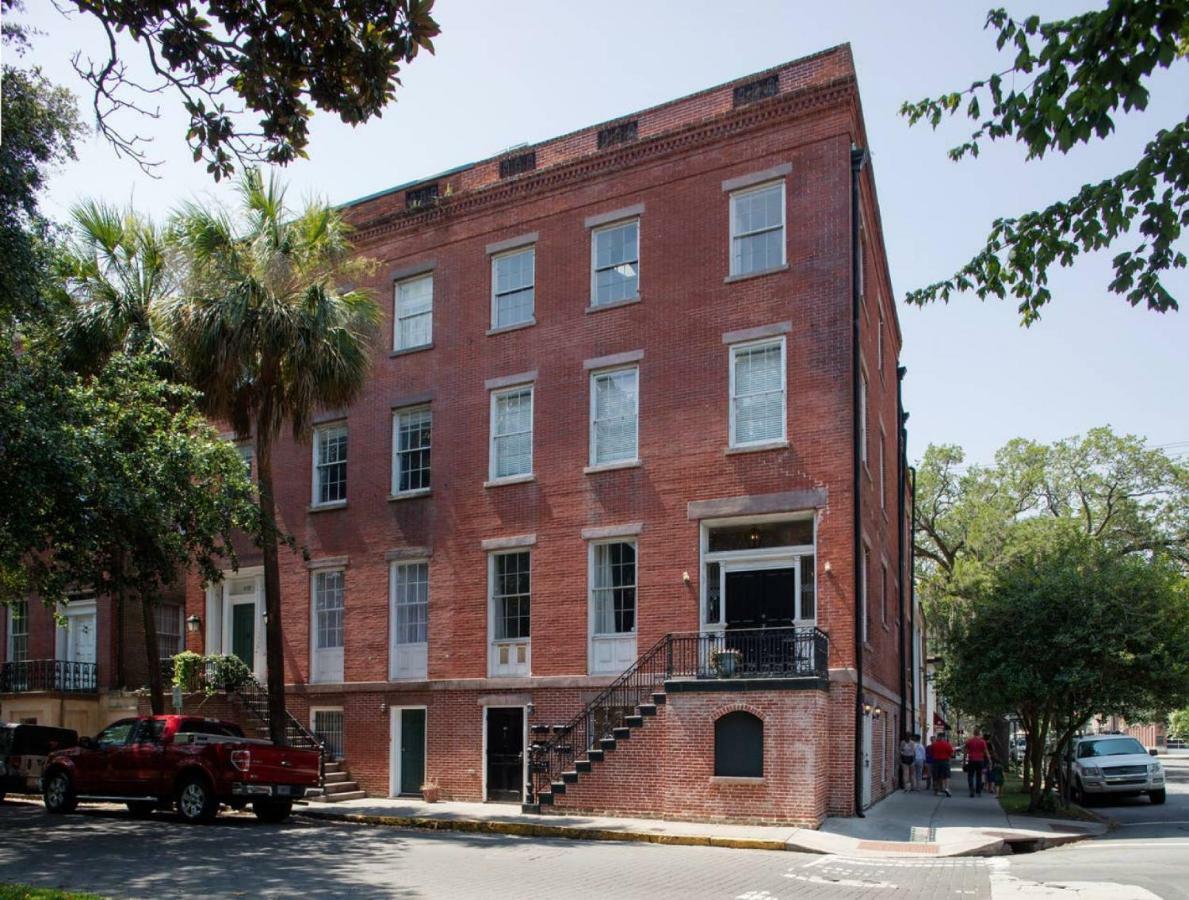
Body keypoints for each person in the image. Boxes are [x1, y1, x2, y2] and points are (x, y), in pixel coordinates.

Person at [964, 730, 989, 797]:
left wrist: (964, 761)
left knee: (970, 775)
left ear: (974, 733)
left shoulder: (969, 741)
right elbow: (986, 751)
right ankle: (978, 791)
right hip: (980, 760)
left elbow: (966, 751)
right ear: (979, 734)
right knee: (979, 776)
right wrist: (989, 759)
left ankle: (971, 789)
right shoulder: (982, 741)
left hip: (971, 760)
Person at [930, 732, 954, 797]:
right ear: (943, 737)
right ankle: (946, 788)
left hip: (936, 761)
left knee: (936, 776)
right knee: (946, 775)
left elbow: (931, 753)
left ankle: (936, 790)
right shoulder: (947, 744)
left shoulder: (934, 745)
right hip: (945, 761)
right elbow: (951, 754)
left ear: (938, 737)